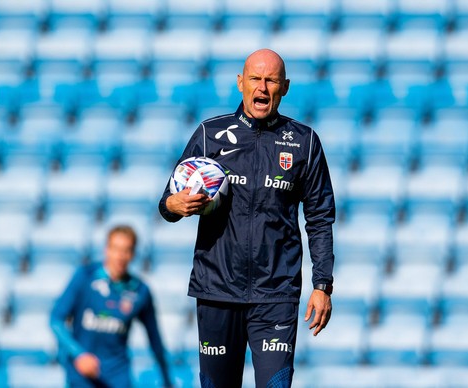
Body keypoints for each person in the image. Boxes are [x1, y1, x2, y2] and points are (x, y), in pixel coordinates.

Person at [158, 49, 336, 387]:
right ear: (241, 83)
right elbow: (166, 203)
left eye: (271, 80)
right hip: (216, 291)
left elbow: (320, 217)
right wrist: (174, 206)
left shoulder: (305, 142)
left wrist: (322, 284)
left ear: (285, 87)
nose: (263, 88)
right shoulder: (210, 135)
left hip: (276, 295)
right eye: (256, 78)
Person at [50, 225, 173, 388]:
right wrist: (79, 355)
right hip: (81, 376)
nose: (120, 256)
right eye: (116, 249)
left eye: (126, 250)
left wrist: (167, 381)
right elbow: (56, 319)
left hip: (118, 377)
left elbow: (155, 340)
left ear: (133, 254)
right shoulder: (85, 276)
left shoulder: (140, 290)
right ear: (106, 249)